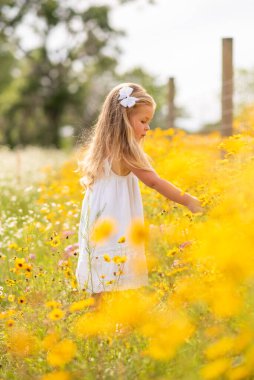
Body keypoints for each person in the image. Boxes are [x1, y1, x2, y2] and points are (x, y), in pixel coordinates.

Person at [75, 83, 203, 298]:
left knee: (102, 284)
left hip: (99, 225)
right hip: (115, 225)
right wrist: (189, 200)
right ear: (124, 119)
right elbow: (154, 181)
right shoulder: (124, 151)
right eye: (143, 121)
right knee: (119, 279)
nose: (148, 128)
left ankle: (97, 327)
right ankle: (118, 327)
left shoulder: (104, 148)